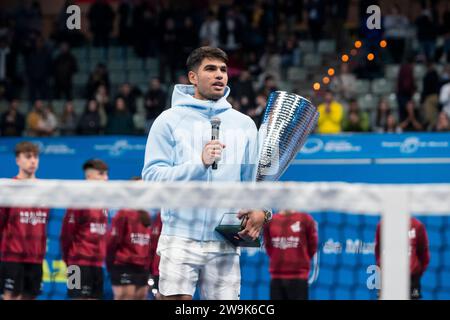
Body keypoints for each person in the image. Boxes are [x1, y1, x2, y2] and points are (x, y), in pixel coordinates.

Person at [141, 46, 270, 300]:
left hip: (225, 240)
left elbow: (253, 184)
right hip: (180, 237)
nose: (219, 75)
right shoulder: (167, 121)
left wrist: (262, 211)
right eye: (210, 69)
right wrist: (198, 165)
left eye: (223, 70)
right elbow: (152, 177)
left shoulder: (244, 124)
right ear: (193, 77)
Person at [0, 142, 50, 300]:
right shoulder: (8, 188)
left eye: (35, 157)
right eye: (28, 157)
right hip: (12, 257)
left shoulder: (45, 190)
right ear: (17, 160)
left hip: (36, 257)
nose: (33, 161)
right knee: (11, 297)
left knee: (31, 297)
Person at [60, 159, 109, 300]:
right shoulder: (78, 201)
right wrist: (69, 260)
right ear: (89, 176)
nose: (106, 178)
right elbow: (66, 235)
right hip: (77, 263)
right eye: (101, 174)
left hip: (97, 264)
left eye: (106, 174)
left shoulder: (104, 203)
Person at [263, 210, 318, 300]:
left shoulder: (306, 219)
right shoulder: (271, 222)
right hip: (277, 279)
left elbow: (312, 246)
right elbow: (269, 246)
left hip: (299, 278)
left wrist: (301, 262)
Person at [375, 217, 430, 299]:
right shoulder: (382, 225)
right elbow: (378, 250)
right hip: (387, 278)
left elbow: (423, 253)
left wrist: (416, 272)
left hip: (412, 280)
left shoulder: (417, 225)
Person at [107, 208, 153, 300]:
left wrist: (110, 263)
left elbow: (112, 242)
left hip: (126, 264)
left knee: (126, 297)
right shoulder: (146, 215)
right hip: (137, 266)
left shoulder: (124, 213)